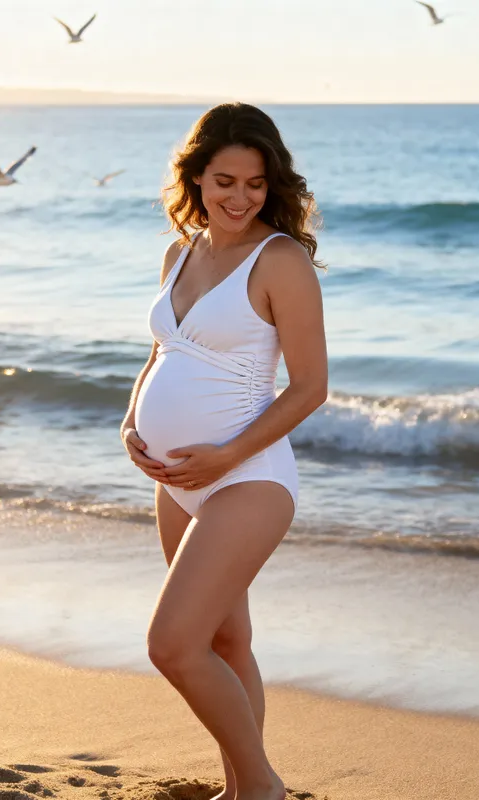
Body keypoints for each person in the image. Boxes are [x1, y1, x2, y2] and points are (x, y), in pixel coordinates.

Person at [120, 102, 328, 800]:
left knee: (172, 645)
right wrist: (131, 421)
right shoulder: (180, 253)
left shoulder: (281, 260)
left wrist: (224, 455)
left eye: (256, 183)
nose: (239, 197)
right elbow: (161, 351)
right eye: (224, 181)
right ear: (196, 178)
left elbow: (309, 389)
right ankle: (238, 788)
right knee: (224, 642)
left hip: (248, 478)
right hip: (176, 480)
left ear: (274, 187)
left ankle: (262, 788)